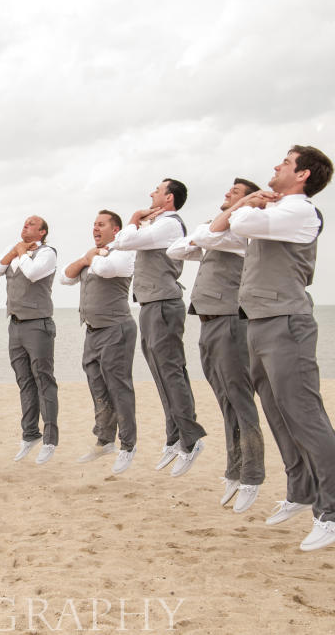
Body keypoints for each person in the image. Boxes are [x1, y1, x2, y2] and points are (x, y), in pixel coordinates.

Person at [211, 145, 335, 551]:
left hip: (286, 324)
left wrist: (250, 202)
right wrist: (252, 204)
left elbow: (241, 223)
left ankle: (334, 511)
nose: (276, 166)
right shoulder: (276, 211)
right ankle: (300, 490)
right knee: (277, 412)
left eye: (286, 163)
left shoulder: (299, 210)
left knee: (305, 415)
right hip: (258, 322)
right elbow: (229, 227)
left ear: (303, 175)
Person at [168, 178, 266, 512]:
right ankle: (234, 470)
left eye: (235, 193)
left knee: (240, 400)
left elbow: (206, 236)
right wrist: (205, 235)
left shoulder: (242, 230)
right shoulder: (222, 231)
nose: (227, 195)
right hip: (207, 321)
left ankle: (251, 475)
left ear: (249, 201)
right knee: (225, 401)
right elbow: (176, 249)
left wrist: (233, 213)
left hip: (231, 320)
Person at [109, 179, 207, 476]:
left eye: (157, 190)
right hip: (151, 304)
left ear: (169, 199)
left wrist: (133, 220)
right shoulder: (157, 225)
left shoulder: (169, 225)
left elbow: (123, 241)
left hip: (163, 304)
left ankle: (191, 438)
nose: (151, 192)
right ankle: (175, 436)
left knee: (171, 372)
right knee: (161, 374)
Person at [61, 210, 138, 474]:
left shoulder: (123, 252)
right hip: (92, 331)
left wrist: (91, 258)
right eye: (94, 224)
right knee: (97, 386)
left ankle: (128, 445)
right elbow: (65, 276)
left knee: (119, 387)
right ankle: (105, 440)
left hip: (116, 328)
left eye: (101, 224)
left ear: (115, 230)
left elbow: (105, 269)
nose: (95, 228)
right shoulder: (92, 256)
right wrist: (87, 257)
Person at [0, 216, 60, 465]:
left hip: (38, 324)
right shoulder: (16, 252)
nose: (25, 225)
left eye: (31, 224)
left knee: (44, 381)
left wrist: (20, 253)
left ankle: (50, 439)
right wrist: (14, 252)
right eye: (24, 223)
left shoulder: (47, 253)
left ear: (42, 232)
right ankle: (30, 434)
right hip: (15, 325)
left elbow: (32, 273)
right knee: (24, 382)